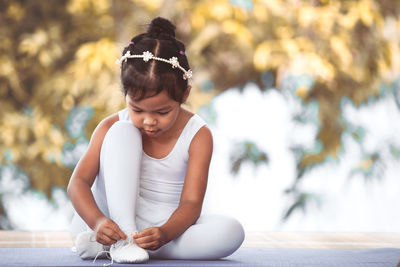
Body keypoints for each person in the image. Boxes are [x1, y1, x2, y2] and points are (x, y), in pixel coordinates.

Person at [67, 17, 244, 264]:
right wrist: (98, 222)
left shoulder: (198, 135)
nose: (149, 121)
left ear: (185, 94)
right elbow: (78, 183)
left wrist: (164, 234)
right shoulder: (111, 125)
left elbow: (192, 203)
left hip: (164, 225)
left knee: (232, 232)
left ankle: (134, 246)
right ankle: (119, 239)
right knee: (122, 131)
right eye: (137, 110)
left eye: (162, 112)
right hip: (112, 220)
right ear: (125, 93)